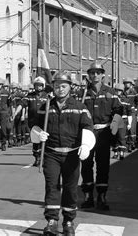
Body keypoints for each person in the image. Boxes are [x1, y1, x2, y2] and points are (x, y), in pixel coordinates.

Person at [31, 71, 95, 236]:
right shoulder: (46, 106)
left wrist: (86, 145)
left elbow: (88, 127)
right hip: (51, 154)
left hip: (72, 155)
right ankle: (52, 221)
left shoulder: (80, 107)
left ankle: (68, 221)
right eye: (57, 85)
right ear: (53, 86)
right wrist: (39, 134)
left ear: (70, 87)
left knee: (70, 188)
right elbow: (35, 126)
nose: (60, 89)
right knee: (52, 186)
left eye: (64, 86)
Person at [80, 62, 122, 211]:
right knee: (86, 165)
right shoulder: (83, 93)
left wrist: (115, 127)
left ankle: (102, 197)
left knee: (103, 165)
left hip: (103, 133)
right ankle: (88, 196)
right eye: (92, 73)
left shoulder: (110, 92)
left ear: (103, 74)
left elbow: (118, 110)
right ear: (89, 75)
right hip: (88, 133)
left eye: (98, 72)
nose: (95, 75)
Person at [18, 76, 49, 167]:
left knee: (44, 141)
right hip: (34, 123)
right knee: (36, 142)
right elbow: (22, 104)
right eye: (36, 85)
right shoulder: (30, 96)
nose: (38, 87)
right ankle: (37, 158)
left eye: (40, 85)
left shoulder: (47, 96)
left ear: (43, 86)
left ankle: (45, 159)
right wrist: (15, 113)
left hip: (44, 122)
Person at [112, 83, 132, 160]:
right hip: (114, 120)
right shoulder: (112, 99)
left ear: (122, 91)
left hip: (123, 120)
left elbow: (129, 112)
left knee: (121, 136)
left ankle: (122, 153)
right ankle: (116, 152)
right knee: (114, 137)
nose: (118, 92)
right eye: (117, 91)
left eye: (120, 91)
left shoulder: (126, 100)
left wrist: (129, 123)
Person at [123, 77, 138, 152]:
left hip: (132, 111)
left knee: (132, 128)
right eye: (125, 83)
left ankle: (132, 143)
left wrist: (137, 111)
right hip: (125, 112)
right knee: (126, 128)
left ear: (130, 84)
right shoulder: (123, 92)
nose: (126, 84)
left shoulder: (134, 92)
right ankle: (127, 144)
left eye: (128, 83)